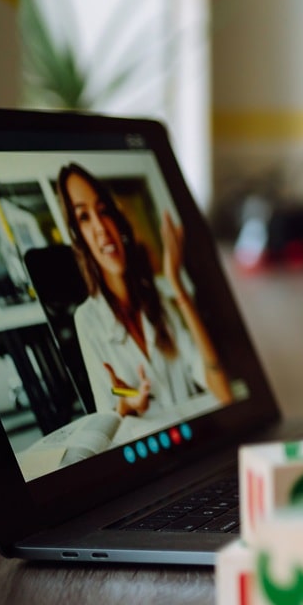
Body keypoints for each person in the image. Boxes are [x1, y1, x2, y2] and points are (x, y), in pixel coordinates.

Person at [56, 163, 234, 420]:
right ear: (78, 236)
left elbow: (223, 393)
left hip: (196, 440)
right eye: (84, 217)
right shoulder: (87, 320)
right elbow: (109, 402)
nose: (101, 228)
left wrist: (177, 285)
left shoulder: (158, 300)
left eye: (103, 211)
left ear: (117, 222)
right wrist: (128, 401)